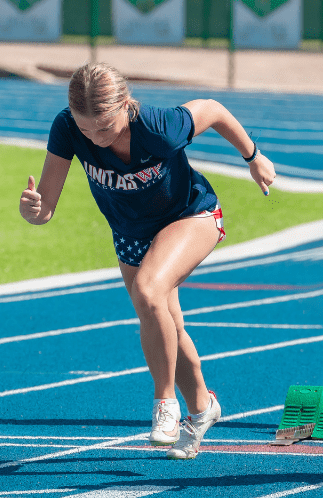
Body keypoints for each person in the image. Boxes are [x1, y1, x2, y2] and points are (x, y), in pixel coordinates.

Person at [19, 62, 276, 460]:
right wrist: (34, 211)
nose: (96, 138)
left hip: (190, 217)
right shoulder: (67, 127)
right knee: (164, 322)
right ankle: (203, 408)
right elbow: (47, 206)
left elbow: (214, 109)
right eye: (87, 130)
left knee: (149, 289)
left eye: (105, 127)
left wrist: (254, 156)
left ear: (125, 104)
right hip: (131, 235)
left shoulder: (160, 126)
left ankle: (165, 404)